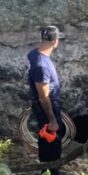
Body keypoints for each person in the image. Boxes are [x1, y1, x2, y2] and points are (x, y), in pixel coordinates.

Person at [27, 25, 67, 167]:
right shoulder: (42, 65)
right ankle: (51, 174)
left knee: (47, 140)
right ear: (55, 41)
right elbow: (43, 97)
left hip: (46, 105)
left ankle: (48, 171)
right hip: (47, 107)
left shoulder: (34, 54)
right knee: (51, 140)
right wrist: (52, 120)